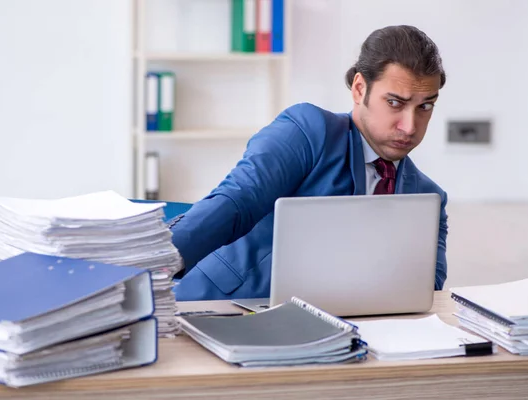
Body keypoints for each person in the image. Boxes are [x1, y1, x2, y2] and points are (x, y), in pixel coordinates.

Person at [169, 25, 448, 301]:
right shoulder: (310, 131)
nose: (410, 126)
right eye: (395, 103)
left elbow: (426, 291)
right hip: (219, 306)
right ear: (360, 89)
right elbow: (235, 202)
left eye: (425, 106)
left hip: (345, 331)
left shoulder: (429, 197)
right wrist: (149, 263)